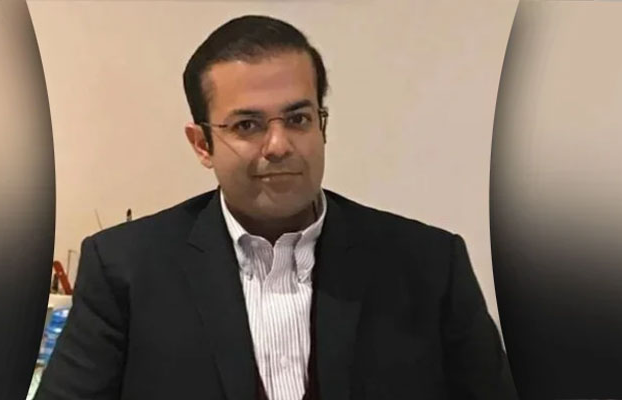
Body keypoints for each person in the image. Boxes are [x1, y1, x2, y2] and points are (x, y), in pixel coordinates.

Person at [36, 15, 518, 400]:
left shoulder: (429, 264)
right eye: (247, 125)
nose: (279, 145)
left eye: (298, 118)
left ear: (321, 126)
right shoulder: (125, 269)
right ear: (202, 144)